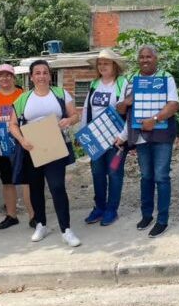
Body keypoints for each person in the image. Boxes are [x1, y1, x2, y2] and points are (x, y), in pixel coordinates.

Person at [8, 60, 82, 247]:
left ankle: (66, 229)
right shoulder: (22, 99)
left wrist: (68, 121)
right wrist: (22, 140)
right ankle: (41, 224)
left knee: (57, 186)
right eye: (37, 73)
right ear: (31, 77)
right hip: (32, 148)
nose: (41, 76)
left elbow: (75, 115)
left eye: (45, 72)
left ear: (50, 75)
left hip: (54, 146)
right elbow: (13, 125)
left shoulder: (60, 94)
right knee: (36, 188)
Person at [116, 45, 179, 238]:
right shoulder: (130, 80)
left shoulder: (165, 77)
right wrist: (126, 102)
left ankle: (162, 220)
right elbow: (120, 109)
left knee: (161, 177)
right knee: (146, 177)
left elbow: (174, 104)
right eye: (142, 57)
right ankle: (146, 215)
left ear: (156, 58)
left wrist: (155, 120)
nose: (145, 60)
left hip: (162, 135)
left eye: (149, 57)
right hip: (141, 137)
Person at [81, 49, 128, 227]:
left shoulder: (122, 83)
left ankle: (111, 210)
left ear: (114, 66)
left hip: (116, 139)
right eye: (100, 63)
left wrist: (123, 136)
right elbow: (87, 109)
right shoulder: (94, 84)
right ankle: (99, 207)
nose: (102, 66)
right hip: (95, 137)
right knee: (97, 173)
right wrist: (84, 134)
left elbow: (128, 111)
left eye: (106, 63)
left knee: (114, 174)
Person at [0, 64, 35, 230]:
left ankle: (33, 216)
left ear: (13, 78)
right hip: (2, 146)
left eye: (8, 75)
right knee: (7, 181)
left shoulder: (22, 95)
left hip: (21, 144)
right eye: (1, 76)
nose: (5, 78)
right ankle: (11, 215)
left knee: (27, 181)